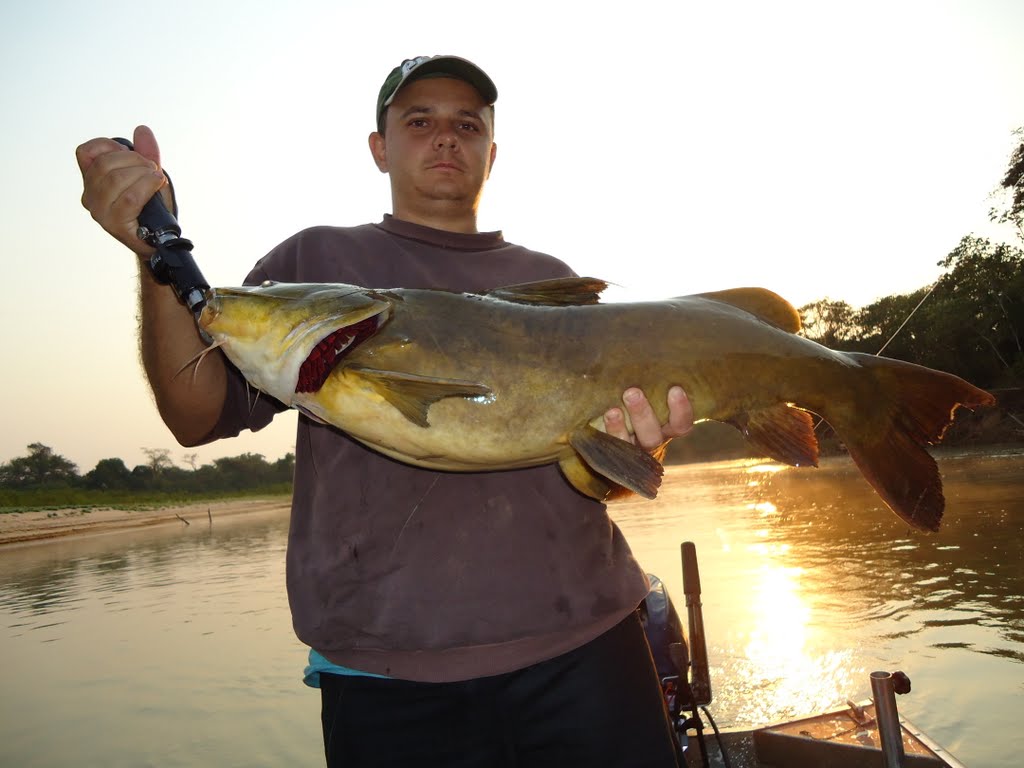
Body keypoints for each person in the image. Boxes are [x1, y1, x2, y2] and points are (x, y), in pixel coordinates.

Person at [77, 55, 694, 767]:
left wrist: (643, 446)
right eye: (419, 121)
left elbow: (601, 481)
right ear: (380, 147)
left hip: (586, 647)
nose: (445, 138)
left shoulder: (550, 281)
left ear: (491, 152)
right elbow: (194, 416)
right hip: (385, 677)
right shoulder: (314, 262)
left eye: (467, 124)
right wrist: (153, 255)